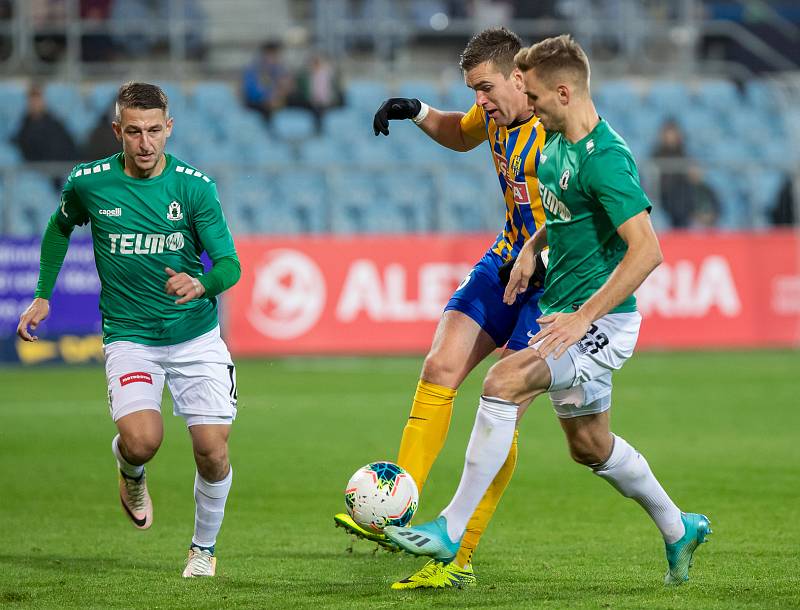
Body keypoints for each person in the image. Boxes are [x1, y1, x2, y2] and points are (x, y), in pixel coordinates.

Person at [384, 34, 711, 587]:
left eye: (532, 98)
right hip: (561, 306)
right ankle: (679, 525)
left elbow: (648, 250)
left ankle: (452, 531)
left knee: (501, 383)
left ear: (561, 91)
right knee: (589, 446)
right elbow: (559, 218)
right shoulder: (556, 147)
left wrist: (585, 318)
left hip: (599, 321)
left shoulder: (607, 159)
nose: (525, 110)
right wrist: (533, 248)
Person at [333, 27, 548, 589]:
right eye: (473, 89)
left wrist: (539, 251)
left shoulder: (557, 132)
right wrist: (419, 110)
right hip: (504, 261)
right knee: (439, 367)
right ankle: (395, 508)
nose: (479, 100)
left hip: (556, 282)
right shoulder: (497, 115)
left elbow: (585, 215)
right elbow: (460, 132)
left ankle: (460, 558)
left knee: (502, 412)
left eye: (485, 87)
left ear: (518, 78)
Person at [16, 82, 241, 578]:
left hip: (195, 336)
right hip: (130, 336)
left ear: (169, 128)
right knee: (142, 442)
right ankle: (130, 471)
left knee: (212, 450)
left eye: (155, 131)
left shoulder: (194, 187)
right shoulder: (89, 182)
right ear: (118, 130)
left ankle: (202, 549)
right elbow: (59, 226)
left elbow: (230, 265)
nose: (145, 143)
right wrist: (42, 293)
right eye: (134, 132)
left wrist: (201, 284)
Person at [14, 84, 78, 163]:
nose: (34, 103)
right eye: (32, 99)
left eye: (38, 99)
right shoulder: (24, 124)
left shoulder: (55, 125)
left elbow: (64, 150)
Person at [241, 40, 294, 124]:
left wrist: (285, 88)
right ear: (265, 54)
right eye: (272, 55)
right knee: (266, 110)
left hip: (276, 101)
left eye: (277, 55)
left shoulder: (279, 69)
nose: (276, 58)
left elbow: (287, 88)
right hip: (257, 103)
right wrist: (268, 98)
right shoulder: (254, 69)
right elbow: (251, 92)